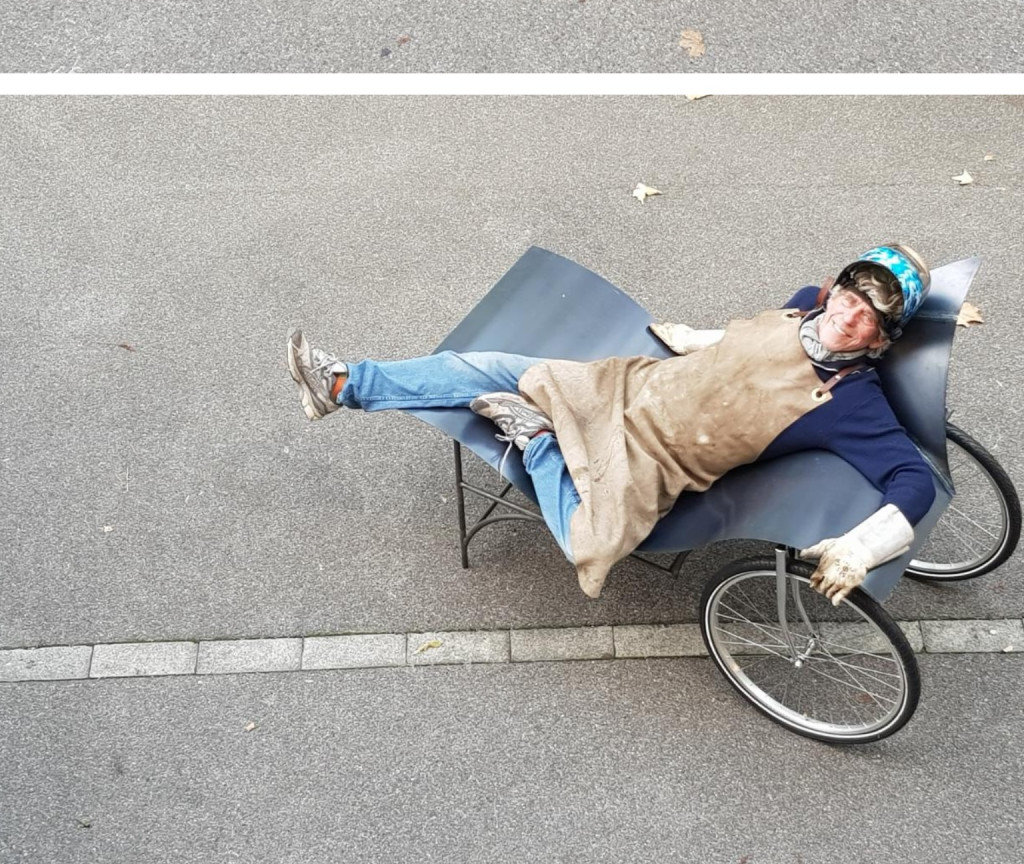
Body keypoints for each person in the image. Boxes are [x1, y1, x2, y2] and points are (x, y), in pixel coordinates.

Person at [287, 244, 935, 605]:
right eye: (849, 299)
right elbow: (748, 339)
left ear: (882, 338)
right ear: (835, 291)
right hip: (627, 384)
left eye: (869, 319)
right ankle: (342, 384)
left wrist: (862, 548)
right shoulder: (801, 306)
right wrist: (696, 337)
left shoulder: (853, 401)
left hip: (653, 462)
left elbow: (913, 479)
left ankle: (536, 439)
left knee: (586, 547)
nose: (848, 318)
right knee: (475, 366)